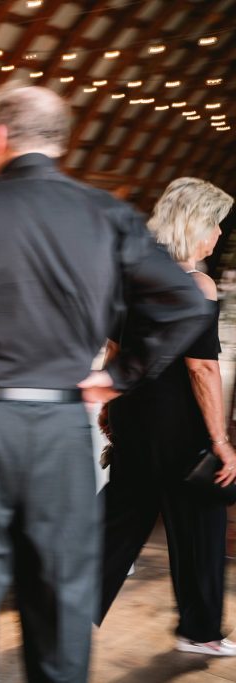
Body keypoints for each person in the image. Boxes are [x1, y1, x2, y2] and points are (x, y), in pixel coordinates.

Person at [0, 85, 210, 682]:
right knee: (59, 598)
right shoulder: (105, 214)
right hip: (58, 426)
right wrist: (120, 375)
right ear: (59, 144)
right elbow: (184, 305)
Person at [98, 178, 236, 655]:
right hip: (179, 426)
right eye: (214, 223)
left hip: (135, 416)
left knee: (122, 519)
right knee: (201, 520)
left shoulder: (131, 273)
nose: (218, 234)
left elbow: (114, 348)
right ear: (195, 224)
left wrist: (109, 407)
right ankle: (200, 631)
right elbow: (202, 368)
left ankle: (65, 611)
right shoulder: (195, 284)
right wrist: (220, 440)